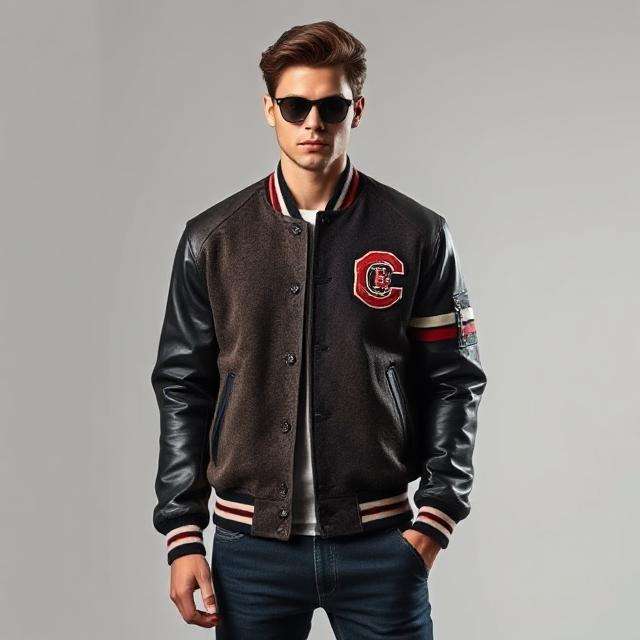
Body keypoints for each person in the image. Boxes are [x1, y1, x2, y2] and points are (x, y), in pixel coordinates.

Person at [151, 20, 487, 639]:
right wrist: (183, 532)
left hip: (381, 543)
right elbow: (182, 386)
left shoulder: (418, 234)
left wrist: (436, 517)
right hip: (250, 553)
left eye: (331, 106)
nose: (313, 123)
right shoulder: (213, 239)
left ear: (356, 109)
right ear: (269, 110)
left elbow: (454, 380)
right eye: (295, 106)